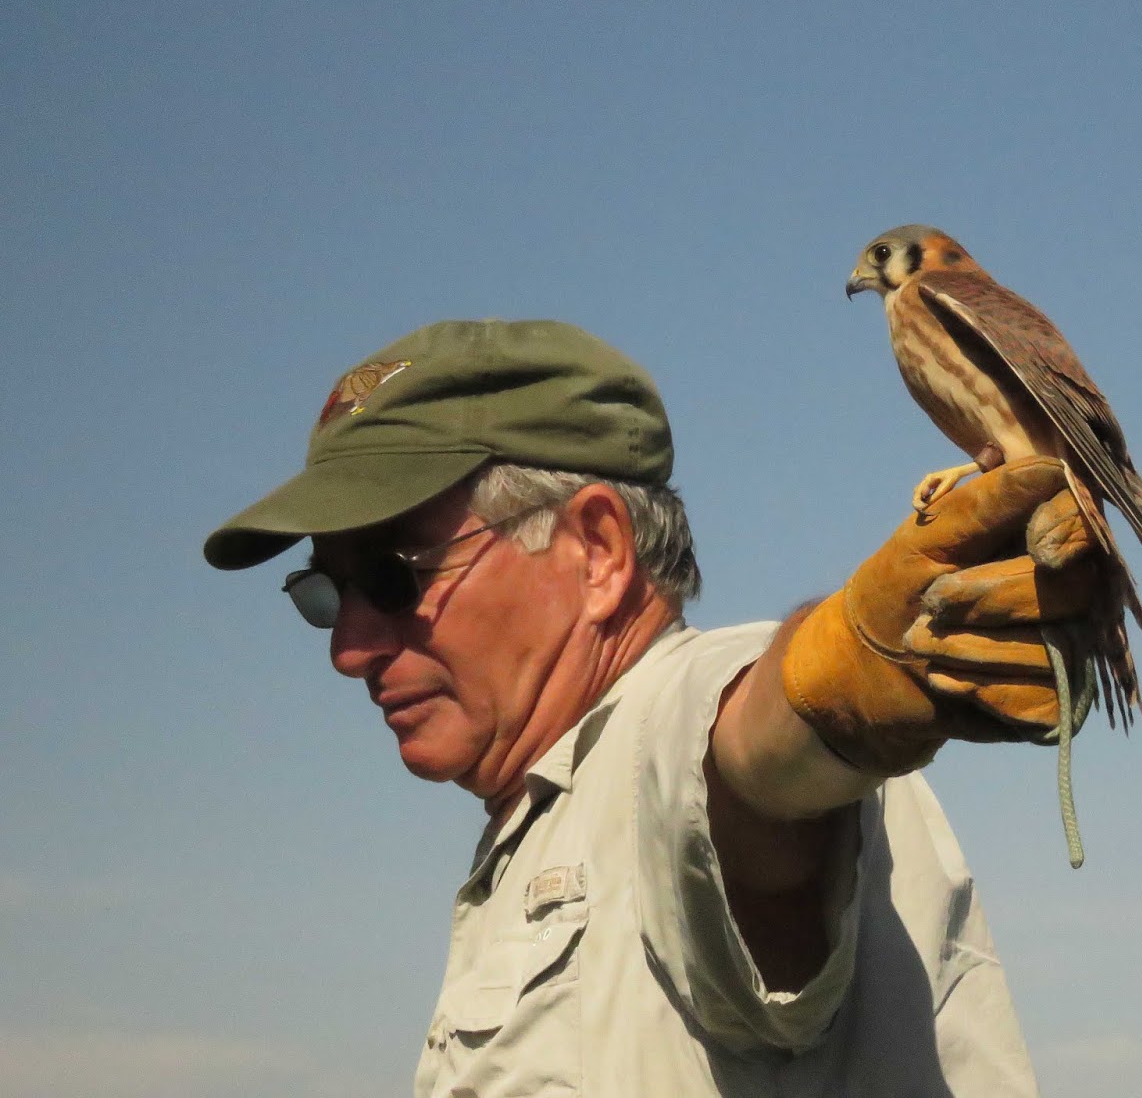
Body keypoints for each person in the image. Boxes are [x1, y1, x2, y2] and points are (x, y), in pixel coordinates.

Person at [205, 319, 1096, 1098]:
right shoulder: (546, 816)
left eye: (390, 578)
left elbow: (746, 763)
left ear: (596, 551)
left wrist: (845, 679)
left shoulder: (664, 724)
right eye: (326, 591)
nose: (348, 648)